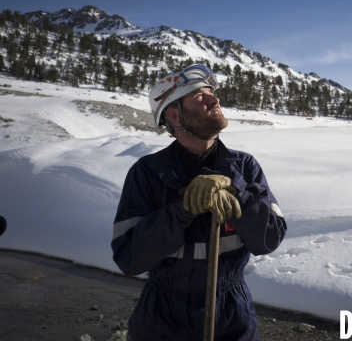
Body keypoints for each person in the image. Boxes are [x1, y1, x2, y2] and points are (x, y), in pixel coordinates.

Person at [111, 64, 287, 341]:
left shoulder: (244, 167)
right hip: (161, 320)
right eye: (199, 95)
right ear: (173, 113)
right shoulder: (148, 172)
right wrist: (183, 210)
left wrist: (236, 191)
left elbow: (269, 239)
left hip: (231, 317)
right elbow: (129, 259)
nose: (214, 99)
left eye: (212, 93)